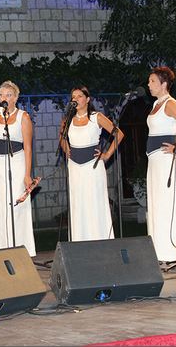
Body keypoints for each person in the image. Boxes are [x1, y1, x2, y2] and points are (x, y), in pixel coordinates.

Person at [59, 86, 124, 241]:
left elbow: (119, 134)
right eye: (73, 97)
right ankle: (79, 240)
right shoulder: (67, 120)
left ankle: (100, 239)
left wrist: (107, 154)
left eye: (79, 96)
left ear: (87, 99)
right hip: (74, 167)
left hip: (92, 167)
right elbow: (61, 138)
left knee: (94, 202)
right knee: (78, 203)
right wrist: (66, 149)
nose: (75, 99)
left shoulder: (97, 117)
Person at [0, 80, 36, 256]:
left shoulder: (23, 117)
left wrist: (27, 174)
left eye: (9, 95)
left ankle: (19, 248)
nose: (5, 98)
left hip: (15, 162)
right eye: (2, 95)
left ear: (16, 98)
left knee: (15, 204)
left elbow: (28, 147)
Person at [146, 66, 176, 262]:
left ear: (164, 84)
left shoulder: (170, 104)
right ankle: (159, 251)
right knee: (157, 204)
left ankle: (172, 252)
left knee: (168, 204)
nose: (149, 85)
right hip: (155, 161)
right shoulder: (156, 104)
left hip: (166, 160)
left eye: (152, 81)